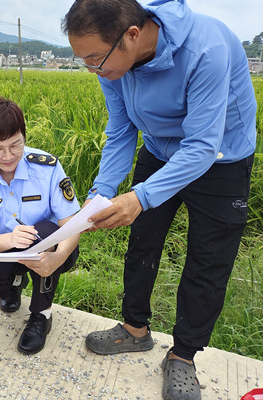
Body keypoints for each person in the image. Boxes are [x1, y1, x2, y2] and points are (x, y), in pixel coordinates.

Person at [63, 0, 256, 399]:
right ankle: (135, 328)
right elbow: (120, 130)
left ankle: (183, 357)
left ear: (132, 35)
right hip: (161, 149)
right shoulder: (110, 63)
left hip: (221, 155)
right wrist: (100, 194)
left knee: (208, 260)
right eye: (84, 60)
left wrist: (141, 197)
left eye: (95, 59)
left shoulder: (206, 48)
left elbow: (203, 145)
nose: (93, 70)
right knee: (142, 241)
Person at [0, 97, 81, 355]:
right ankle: (14, 286)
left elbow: (71, 224)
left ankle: (41, 315)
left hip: (53, 249)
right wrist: (10, 239)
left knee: (46, 232)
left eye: (15, 145)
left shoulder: (47, 167)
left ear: (24, 136)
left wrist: (59, 256)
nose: (8, 156)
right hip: (9, 250)